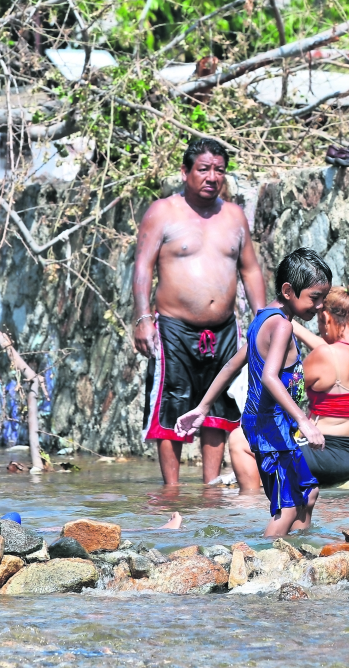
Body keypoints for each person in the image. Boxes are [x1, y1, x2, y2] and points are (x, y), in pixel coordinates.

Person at [132, 138, 266, 485]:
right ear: (185, 171)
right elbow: (143, 267)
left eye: (219, 170)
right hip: (173, 327)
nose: (212, 176)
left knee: (219, 407)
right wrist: (143, 318)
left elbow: (250, 269)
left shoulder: (233, 215)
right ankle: (172, 491)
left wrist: (264, 319)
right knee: (172, 403)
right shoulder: (163, 211)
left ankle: (210, 486)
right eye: (203, 169)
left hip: (224, 328)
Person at [177, 248, 331, 537]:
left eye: (323, 298)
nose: (320, 306)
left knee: (308, 493)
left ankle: (300, 554)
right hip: (268, 422)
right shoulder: (282, 325)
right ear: (288, 290)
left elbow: (231, 365)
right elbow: (270, 377)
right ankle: (261, 563)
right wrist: (304, 421)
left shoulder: (265, 318)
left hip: (269, 422)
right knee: (287, 506)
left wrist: (202, 408)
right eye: (314, 297)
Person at [218, 286, 349, 489]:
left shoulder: (324, 356)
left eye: (319, 319)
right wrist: (291, 324)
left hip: (329, 458)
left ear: (326, 317)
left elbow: (281, 389)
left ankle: (253, 508)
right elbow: (335, 352)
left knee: (239, 439)